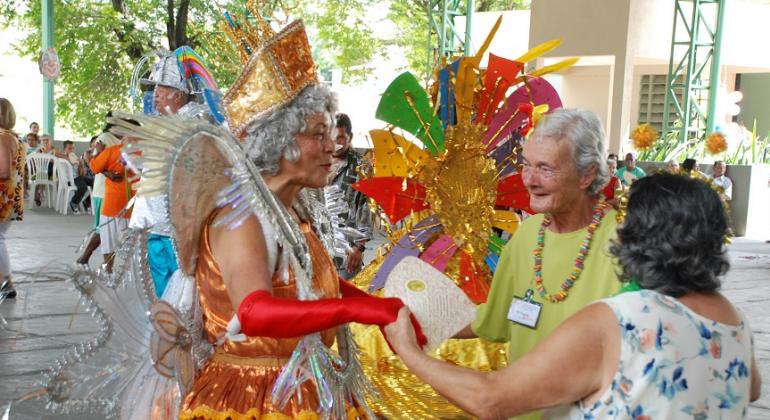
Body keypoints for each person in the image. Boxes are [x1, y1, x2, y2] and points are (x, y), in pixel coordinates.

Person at [385, 173, 762, 419]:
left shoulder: (620, 319)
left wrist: (410, 353)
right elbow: (751, 387)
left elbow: (491, 399)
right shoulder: (731, 318)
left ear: (635, 239)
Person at [452, 108, 620, 420]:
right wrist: (415, 318)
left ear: (587, 175)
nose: (529, 180)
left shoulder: (624, 243)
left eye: (546, 169)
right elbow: (492, 320)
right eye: (526, 165)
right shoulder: (527, 234)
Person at [328, 112, 373, 279]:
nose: (335, 143)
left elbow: (366, 207)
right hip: (319, 250)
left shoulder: (361, 166)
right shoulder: (318, 162)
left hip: (347, 252)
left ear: (350, 137)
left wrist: (359, 248)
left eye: (340, 138)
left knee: (347, 302)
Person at [89, 133, 135, 273]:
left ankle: (109, 270)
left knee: (108, 240)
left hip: (113, 205)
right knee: (133, 244)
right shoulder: (145, 153)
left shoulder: (113, 150)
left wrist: (97, 153)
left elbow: (94, 167)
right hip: (133, 207)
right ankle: (130, 273)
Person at [76, 132, 117, 265]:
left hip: (114, 192)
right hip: (104, 191)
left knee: (108, 229)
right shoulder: (105, 138)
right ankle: (86, 257)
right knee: (104, 228)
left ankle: (89, 258)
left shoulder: (123, 141)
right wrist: (108, 173)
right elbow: (93, 161)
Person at [0, 98, 25, 299]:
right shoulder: (13, 137)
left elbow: (4, 172)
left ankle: (6, 282)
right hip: (10, 196)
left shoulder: (3, 138)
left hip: (2, 196)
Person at [61, 140, 93, 213]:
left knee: (95, 183)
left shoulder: (75, 158)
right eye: (69, 148)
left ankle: (86, 201)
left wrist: (81, 165)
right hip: (70, 179)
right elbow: (55, 154)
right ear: (65, 149)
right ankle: (74, 202)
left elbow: (82, 174)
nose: (72, 150)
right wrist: (67, 158)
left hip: (78, 177)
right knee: (83, 187)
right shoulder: (62, 157)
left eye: (73, 148)